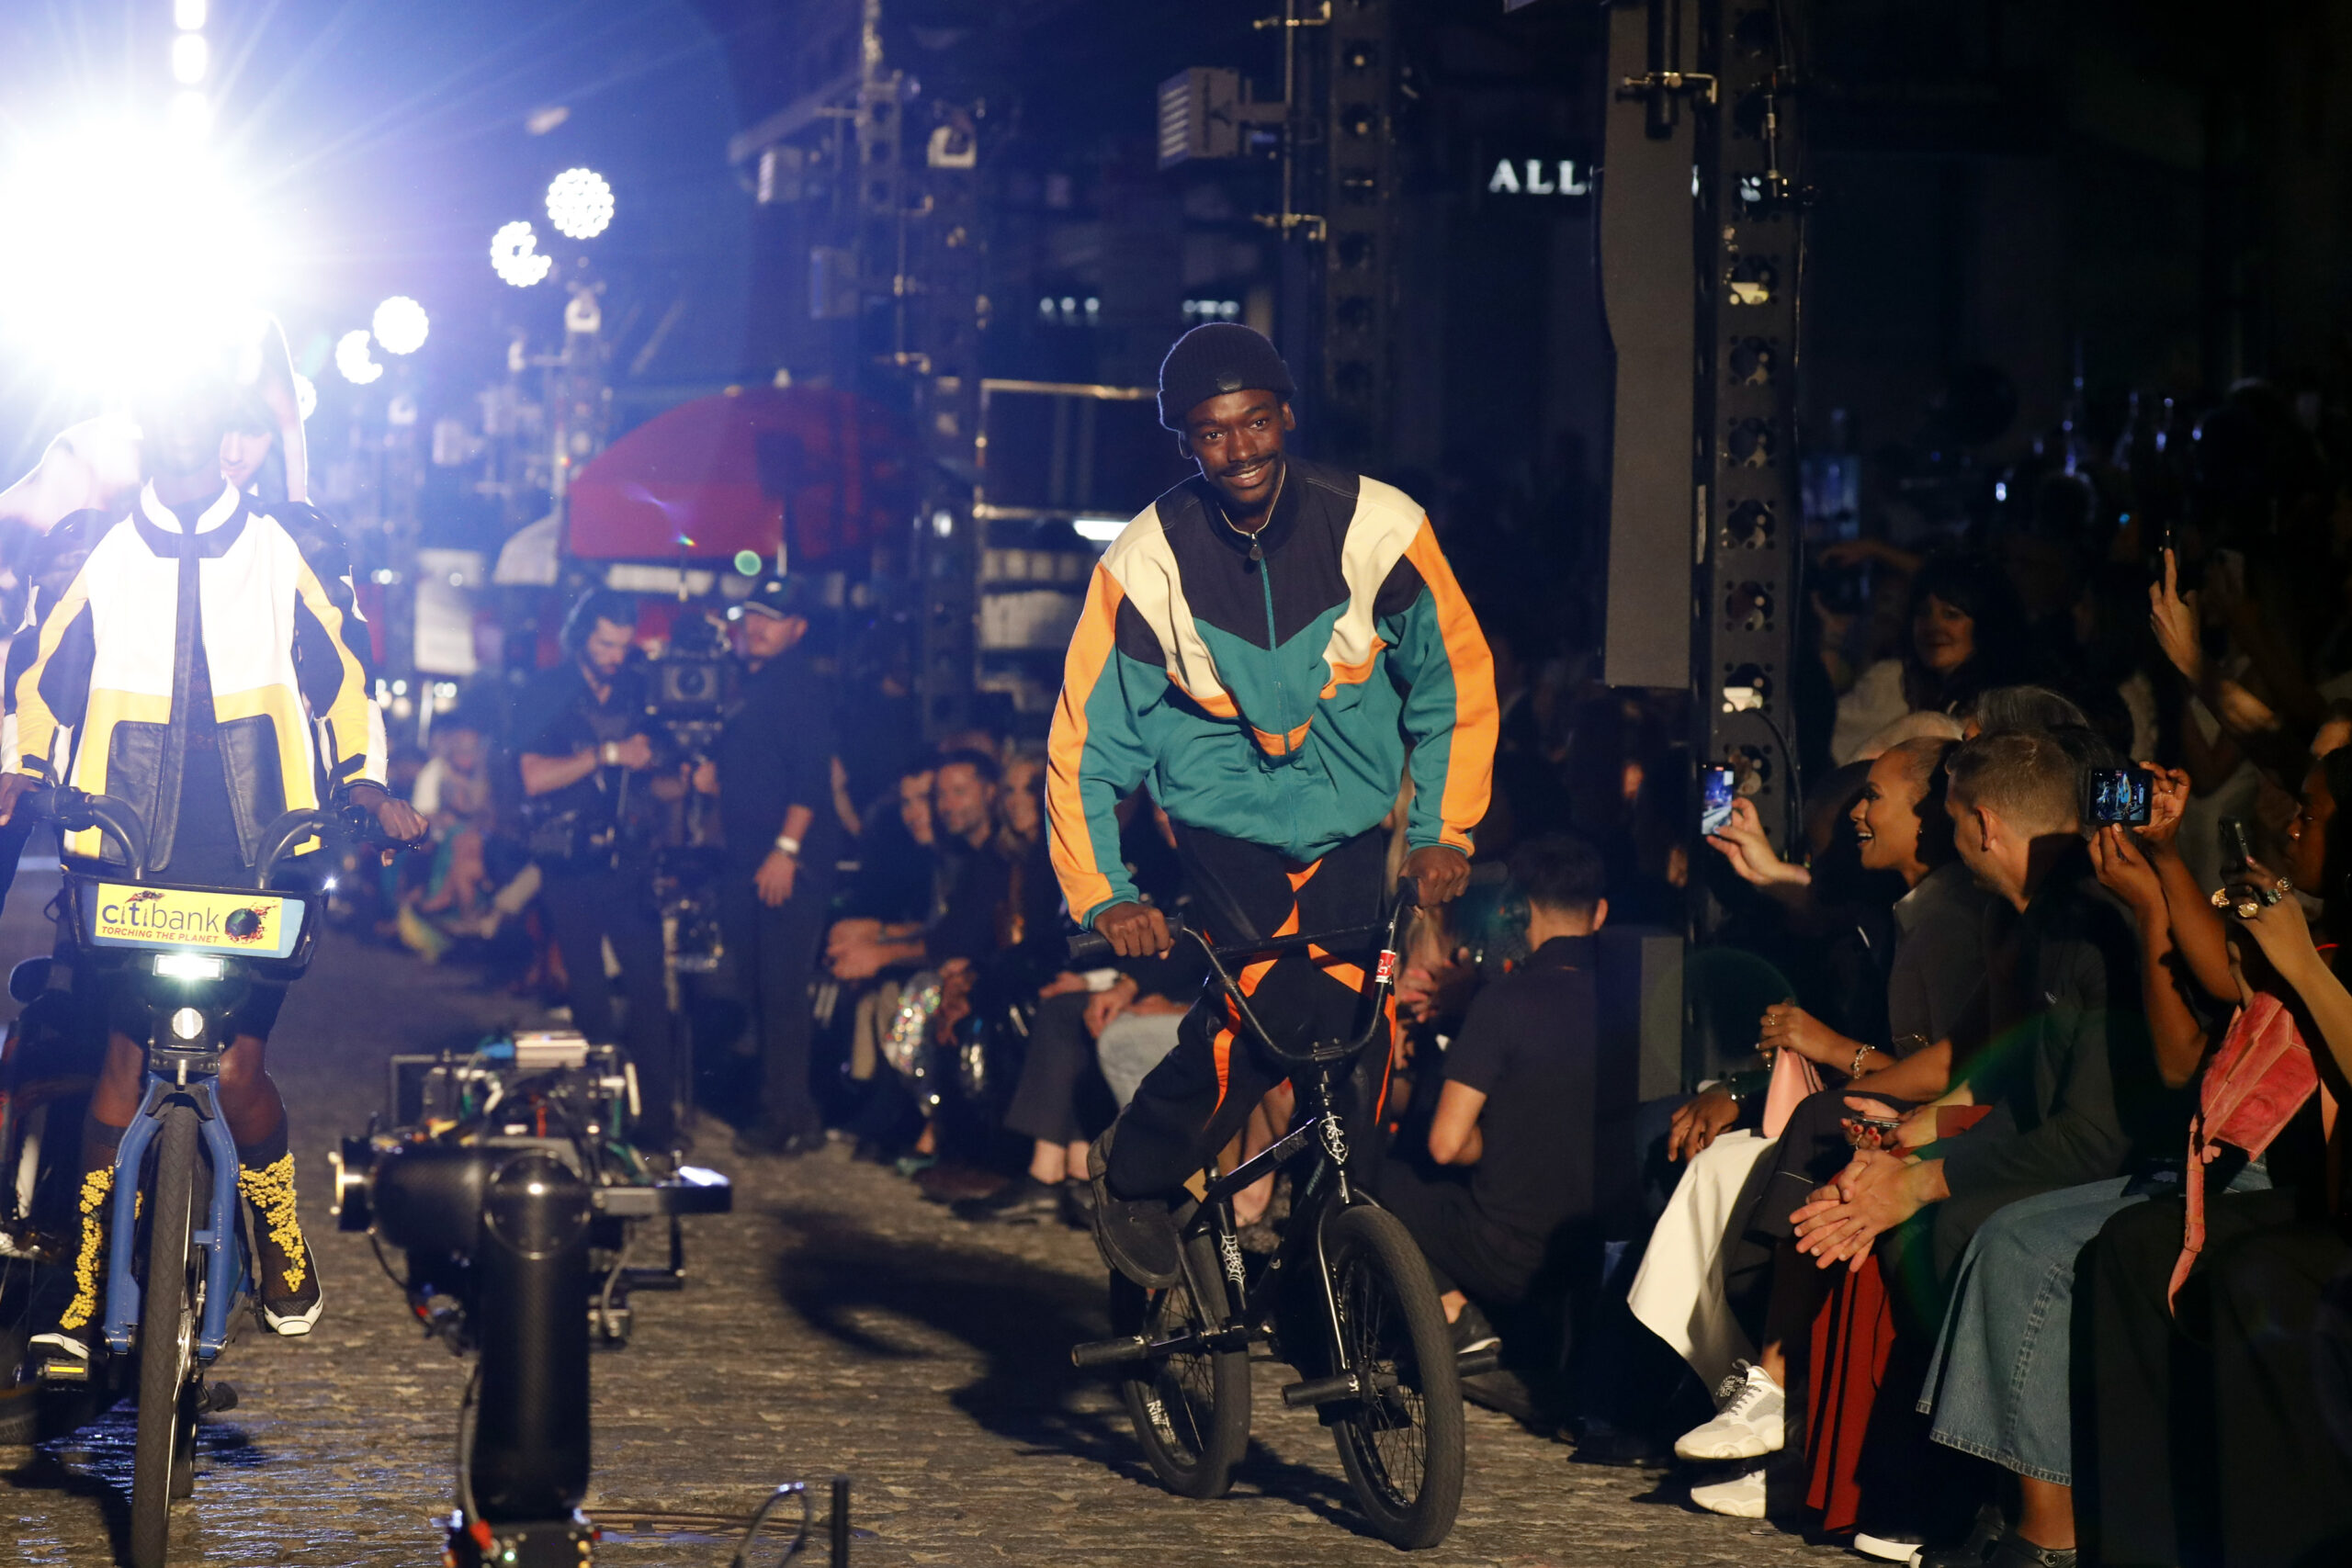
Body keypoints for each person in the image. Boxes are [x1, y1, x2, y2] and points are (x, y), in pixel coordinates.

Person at [1047, 321, 1498, 1288]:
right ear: (1186, 443)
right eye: (1212, 432)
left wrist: (1442, 831)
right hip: (1223, 819)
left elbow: (1453, 681)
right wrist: (1105, 894)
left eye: (1254, 421)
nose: (1239, 448)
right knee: (1274, 1009)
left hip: (1347, 816)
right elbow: (1084, 743)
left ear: (1286, 416)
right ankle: (1134, 1174)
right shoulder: (1144, 562)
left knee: (1359, 1027)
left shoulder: (1379, 527)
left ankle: (1337, 1251)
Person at [0, 363, 424, 1361]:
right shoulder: (96, 546)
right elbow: (40, 667)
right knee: (119, 1064)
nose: (198, 437)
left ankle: (277, 1231)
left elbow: (344, 673)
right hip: (125, 835)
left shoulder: (290, 546)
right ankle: (86, 1283)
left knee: (237, 1068)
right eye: (176, 417)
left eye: (219, 421)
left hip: (261, 844)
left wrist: (366, 783)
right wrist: (19, 768)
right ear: (147, 427)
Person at [1380, 833, 1607, 1355]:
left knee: (1376, 1177)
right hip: (1590, 1254)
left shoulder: (1504, 1003)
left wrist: (1498, 1137)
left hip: (1508, 1254)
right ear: (1600, 913)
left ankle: (1455, 1316)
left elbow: (1446, 1145)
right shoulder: (1632, 998)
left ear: (1521, 910)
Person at [516, 590, 680, 1147]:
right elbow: (533, 777)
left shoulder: (639, 689)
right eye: (605, 644)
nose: (615, 655)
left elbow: (660, 780)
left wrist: (679, 776)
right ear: (581, 635)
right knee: (589, 997)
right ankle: (601, 1122)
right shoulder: (545, 690)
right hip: (570, 862)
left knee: (649, 993)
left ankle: (657, 1124)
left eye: (623, 646)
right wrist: (607, 755)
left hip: (631, 860)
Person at [706, 577, 840, 1157]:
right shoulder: (754, 685)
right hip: (749, 858)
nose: (758, 626)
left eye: (773, 618)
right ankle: (779, 1107)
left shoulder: (799, 688)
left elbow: (811, 778)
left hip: (785, 862)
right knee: (760, 987)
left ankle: (791, 1116)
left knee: (781, 990)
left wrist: (786, 850)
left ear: (798, 629)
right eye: (753, 615)